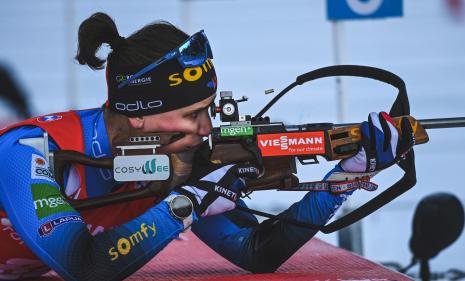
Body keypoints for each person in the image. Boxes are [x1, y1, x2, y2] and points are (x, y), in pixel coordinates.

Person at [0, 12, 413, 281]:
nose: (206, 127)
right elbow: (85, 266)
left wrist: (342, 179)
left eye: (210, 109)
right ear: (138, 115)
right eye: (191, 113)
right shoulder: (29, 151)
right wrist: (189, 202)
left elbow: (256, 253)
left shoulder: (174, 161)